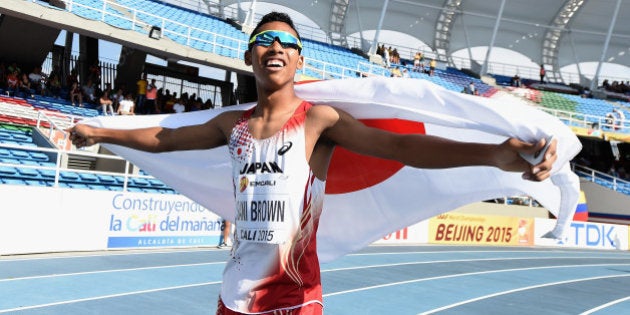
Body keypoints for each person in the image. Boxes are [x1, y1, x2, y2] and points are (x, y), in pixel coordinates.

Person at [67, 12, 557, 315]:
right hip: (234, 294)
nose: (275, 48)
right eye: (264, 40)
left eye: (287, 43)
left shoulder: (318, 121)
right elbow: (166, 138)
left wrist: (495, 155)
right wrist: (100, 132)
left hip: (297, 296)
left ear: (300, 62)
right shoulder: (230, 126)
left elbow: (402, 149)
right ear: (249, 57)